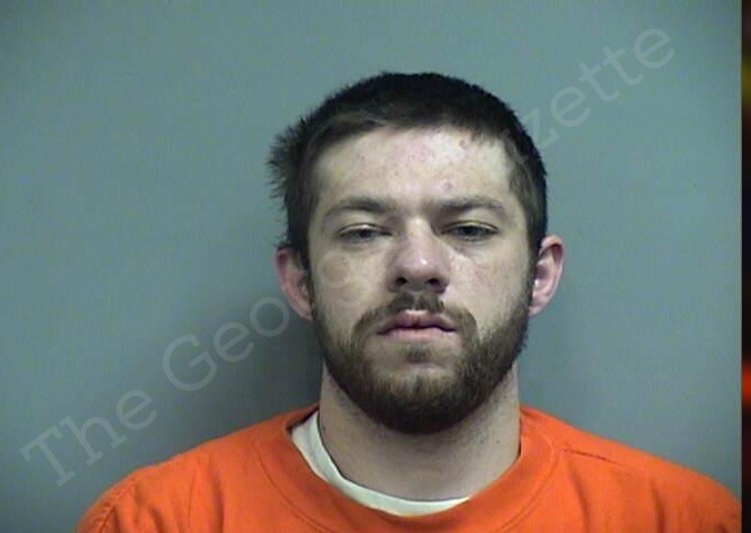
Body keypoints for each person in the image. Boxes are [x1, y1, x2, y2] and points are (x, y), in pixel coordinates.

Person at [78, 72, 740, 532]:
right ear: (300, 281)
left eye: (469, 229)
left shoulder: (681, 520)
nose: (418, 266)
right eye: (364, 232)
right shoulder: (156, 521)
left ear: (540, 276)